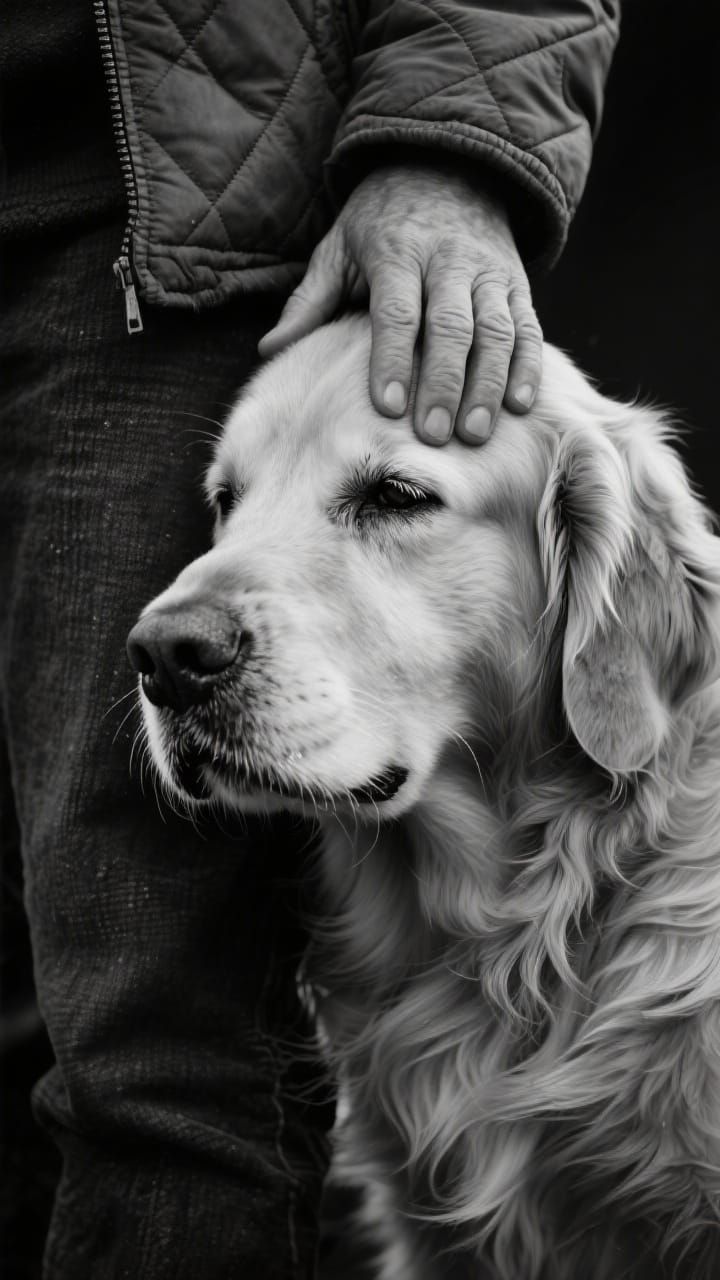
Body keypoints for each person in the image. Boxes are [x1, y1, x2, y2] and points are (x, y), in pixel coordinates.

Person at [0, 2, 619, 1276]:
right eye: (227, 501)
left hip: (151, 200)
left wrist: (455, 134)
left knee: (148, 1059)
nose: (176, 624)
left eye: (387, 498)